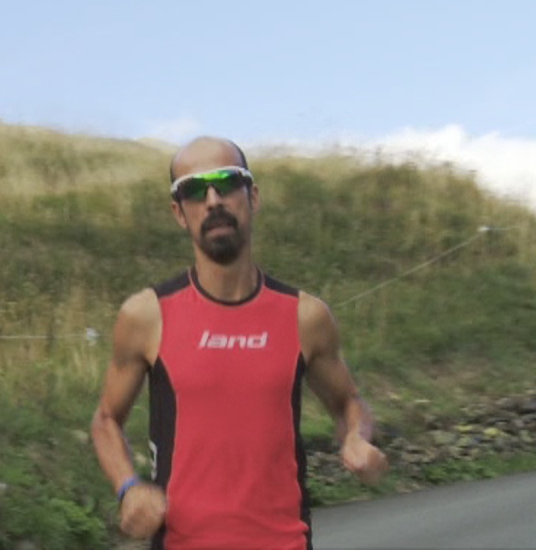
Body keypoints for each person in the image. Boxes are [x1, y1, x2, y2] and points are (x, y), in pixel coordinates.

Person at [90, 136, 388, 549]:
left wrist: (358, 435)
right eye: (194, 190)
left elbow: (349, 403)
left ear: (253, 197)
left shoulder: (305, 316)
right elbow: (105, 420)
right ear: (179, 213)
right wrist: (129, 486)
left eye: (227, 183)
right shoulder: (147, 316)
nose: (213, 200)